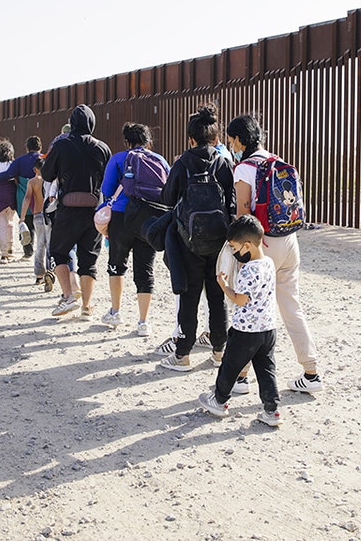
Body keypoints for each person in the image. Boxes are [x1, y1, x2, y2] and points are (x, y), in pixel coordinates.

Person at [226, 114, 324, 394]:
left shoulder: (244, 168)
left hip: (262, 246)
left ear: (239, 140)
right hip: (289, 241)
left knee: (248, 306)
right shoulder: (274, 160)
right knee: (291, 306)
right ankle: (311, 372)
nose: (231, 145)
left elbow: (244, 215)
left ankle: (242, 377)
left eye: (232, 140)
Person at [158, 103, 235, 371]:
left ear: (190, 139)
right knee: (217, 297)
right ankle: (218, 352)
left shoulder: (182, 163)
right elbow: (232, 203)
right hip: (218, 241)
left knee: (189, 298)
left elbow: (167, 198)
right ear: (215, 138)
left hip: (188, 241)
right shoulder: (223, 162)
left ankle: (183, 355)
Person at [198, 215, 283, 426]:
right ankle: (272, 411)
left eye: (235, 248)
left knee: (230, 366)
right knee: (266, 370)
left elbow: (240, 300)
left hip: (246, 330)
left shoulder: (249, 269)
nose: (235, 253)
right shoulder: (269, 263)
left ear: (247, 245)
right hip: (268, 328)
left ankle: (219, 401)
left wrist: (224, 285)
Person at [97, 123, 169, 337]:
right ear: (148, 141)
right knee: (145, 269)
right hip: (149, 218)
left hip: (121, 217)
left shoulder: (118, 159)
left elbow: (107, 189)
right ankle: (143, 322)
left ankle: (116, 312)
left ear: (127, 141)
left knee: (116, 265)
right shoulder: (160, 160)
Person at [41, 105, 111, 320]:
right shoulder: (102, 148)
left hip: (67, 210)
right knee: (88, 259)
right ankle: (87, 307)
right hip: (93, 211)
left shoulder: (62, 145)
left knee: (59, 252)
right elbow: (108, 180)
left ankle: (69, 295)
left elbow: (46, 173)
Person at [0, 136, 43, 258]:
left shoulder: (20, 161)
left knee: (27, 222)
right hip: (42, 196)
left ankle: (28, 251)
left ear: (27, 148)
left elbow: (8, 174)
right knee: (43, 223)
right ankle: (44, 250)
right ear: (40, 147)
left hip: (24, 195)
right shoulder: (45, 159)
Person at [19, 159, 50, 284]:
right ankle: (51, 271)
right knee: (51, 244)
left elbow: (27, 199)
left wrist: (22, 217)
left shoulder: (32, 182)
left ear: (35, 169)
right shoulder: (51, 181)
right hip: (51, 215)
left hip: (37, 215)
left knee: (40, 245)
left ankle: (39, 275)